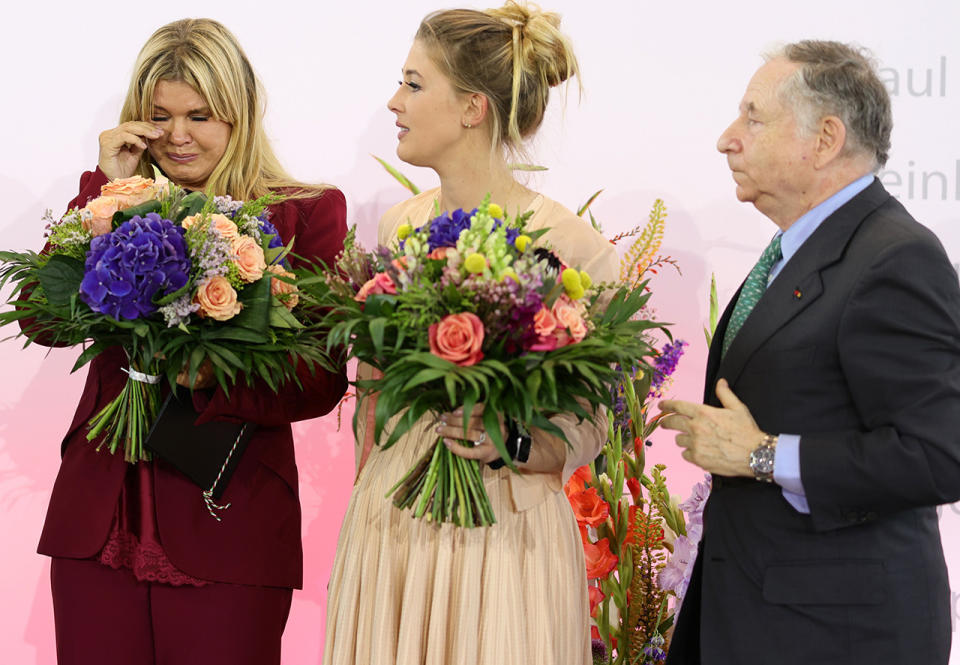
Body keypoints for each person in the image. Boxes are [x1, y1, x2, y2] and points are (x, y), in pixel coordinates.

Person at [28, 18, 348, 665]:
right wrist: (102, 185)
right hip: (98, 523)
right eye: (160, 116)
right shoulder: (117, 204)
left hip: (229, 519)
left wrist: (208, 374)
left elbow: (320, 375)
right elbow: (42, 316)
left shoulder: (304, 213)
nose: (177, 135)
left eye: (199, 115)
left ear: (240, 113)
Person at [323, 3, 617, 664]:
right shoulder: (399, 226)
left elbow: (590, 421)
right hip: (392, 517)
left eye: (414, 83)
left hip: (505, 532)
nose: (394, 102)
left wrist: (509, 439)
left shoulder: (576, 247)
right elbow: (373, 397)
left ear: (471, 108)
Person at [659, 41, 960, 665]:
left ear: (825, 139)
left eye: (753, 117)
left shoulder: (896, 258)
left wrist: (763, 455)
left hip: (838, 638)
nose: (726, 139)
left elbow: (942, 453)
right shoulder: (797, 251)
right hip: (754, 618)